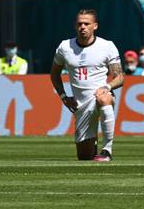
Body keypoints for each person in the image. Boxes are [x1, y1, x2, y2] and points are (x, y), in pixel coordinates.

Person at [50, 9, 124, 162]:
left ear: (95, 26)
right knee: (85, 157)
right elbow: (54, 75)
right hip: (81, 106)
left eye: (86, 23)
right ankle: (93, 143)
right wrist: (64, 98)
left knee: (104, 99)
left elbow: (120, 77)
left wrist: (107, 88)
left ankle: (107, 150)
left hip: (100, 96)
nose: (82, 27)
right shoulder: (65, 47)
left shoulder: (107, 46)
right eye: (79, 24)